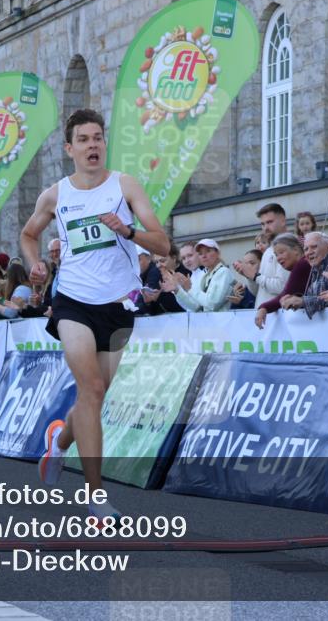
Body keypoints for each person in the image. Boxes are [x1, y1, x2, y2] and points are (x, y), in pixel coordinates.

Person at [20, 108, 170, 522]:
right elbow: (29, 234)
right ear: (69, 148)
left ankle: (60, 440)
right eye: (83, 139)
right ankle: (96, 496)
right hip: (73, 300)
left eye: (98, 138)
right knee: (89, 388)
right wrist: (35, 263)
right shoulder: (55, 195)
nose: (92, 145)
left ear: (105, 143)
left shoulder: (125, 186)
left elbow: (163, 245)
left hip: (120, 303)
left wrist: (129, 231)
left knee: (97, 393)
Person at [279, 232, 328, 317]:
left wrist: (302, 301)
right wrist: (294, 300)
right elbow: (313, 297)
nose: (309, 252)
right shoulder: (317, 266)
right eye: (306, 249)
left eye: (314, 247)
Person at [254, 234, 312, 329]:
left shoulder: (302, 264)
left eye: (281, 252)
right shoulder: (304, 263)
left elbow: (285, 294)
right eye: (276, 255)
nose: (278, 258)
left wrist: (264, 307)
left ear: (296, 250)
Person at [161, 239, 234, 313]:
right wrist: (177, 290)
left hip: (221, 322)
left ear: (217, 253)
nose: (204, 256)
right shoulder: (206, 275)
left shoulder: (223, 272)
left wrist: (189, 288)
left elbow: (212, 304)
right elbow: (196, 307)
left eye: (208, 251)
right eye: (201, 253)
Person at [254, 204, 291, 305]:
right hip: (264, 316)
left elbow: (282, 287)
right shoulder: (268, 250)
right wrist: (248, 276)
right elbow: (258, 291)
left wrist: (255, 276)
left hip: (279, 316)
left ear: (283, 221)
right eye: (263, 224)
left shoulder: (290, 246)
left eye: (269, 222)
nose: (265, 228)